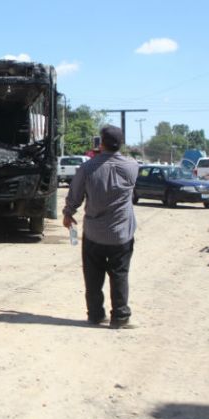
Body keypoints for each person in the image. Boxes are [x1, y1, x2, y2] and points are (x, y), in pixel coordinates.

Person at [62, 125, 139, 328]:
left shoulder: (87, 168)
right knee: (120, 274)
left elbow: (75, 195)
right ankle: (120, 317)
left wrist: (68, 213)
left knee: (93, 276)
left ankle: (96, 315)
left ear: (100, 143)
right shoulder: (132, 166)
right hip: (121, 234)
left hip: (94, 233)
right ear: (120, 143)